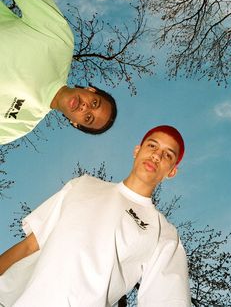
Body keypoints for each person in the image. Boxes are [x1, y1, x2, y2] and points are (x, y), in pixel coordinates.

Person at [0, 125, 191, 307]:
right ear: (137, 150)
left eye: (167, 155)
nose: (157, 155)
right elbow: (29, 246)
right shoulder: (83, 185)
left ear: (172, 171)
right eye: (152, 145)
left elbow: (167, 300)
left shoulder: (163, 234)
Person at [0, 0, 117, 145]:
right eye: (94, 103)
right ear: (90, 90)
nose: (84, 108)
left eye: (88, 118)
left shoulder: (19, 125)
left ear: (75, 123)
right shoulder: (60, 41)